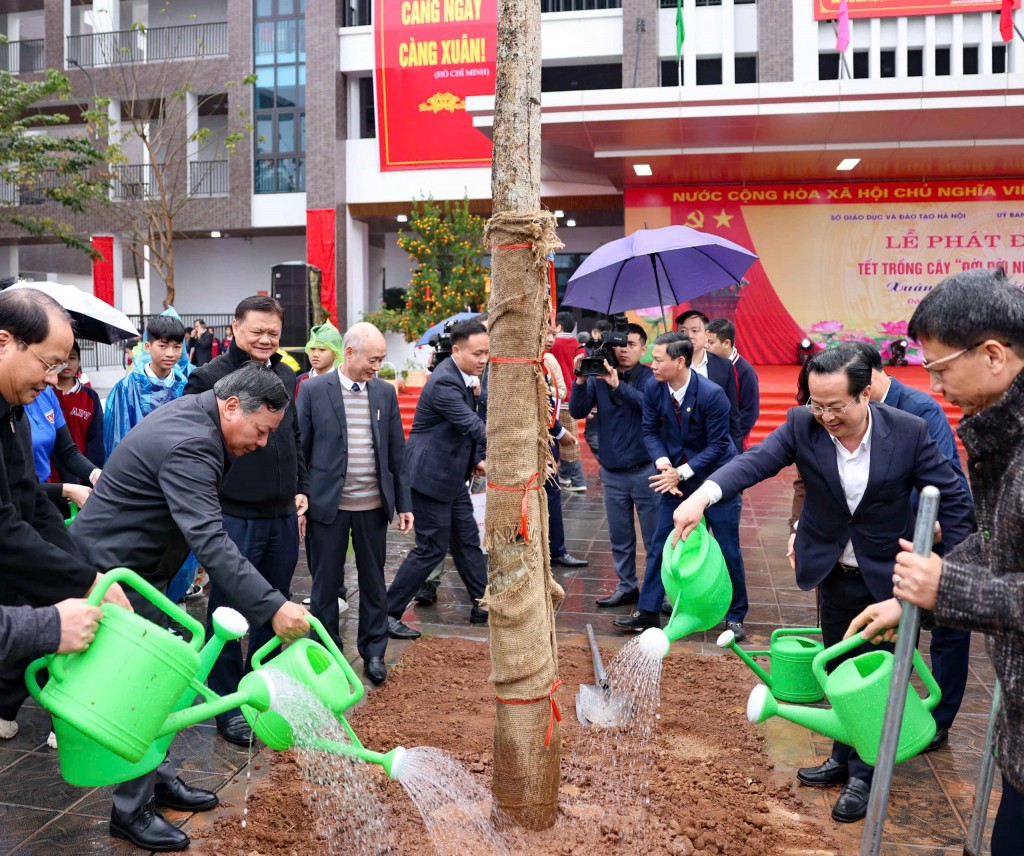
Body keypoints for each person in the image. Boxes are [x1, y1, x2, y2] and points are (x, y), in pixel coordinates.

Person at [669, 344, 974, 823]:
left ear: (865, 394)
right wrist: (702, 497)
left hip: (887, 576)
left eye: (836, 406)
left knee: (873, 680)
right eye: (817, 404)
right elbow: (755, 462)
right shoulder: (801, 425)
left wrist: (951, 568)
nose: (826, 416)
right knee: (836, 668)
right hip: (833, 570)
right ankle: (841, 753)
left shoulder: (908, 432)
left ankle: (864, 773)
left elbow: (955, 499)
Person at [70, 362, 311, 853]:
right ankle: (129, 811)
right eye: (261, 431)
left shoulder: (201, 420)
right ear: (230, 407)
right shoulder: (193, 443)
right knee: (142, 687)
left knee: (158, 684)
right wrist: (274, 605)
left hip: (141, 571)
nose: (263, 444)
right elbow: (210, 538)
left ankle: (155, 779)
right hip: (113, 575)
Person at [844, 269, 1024, 854]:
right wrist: (907, 600)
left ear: (993, 354)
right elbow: (1000, 541)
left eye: (941, 368)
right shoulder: (1003, 431)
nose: (938, 385)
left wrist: (946, 587)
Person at [0, 288, 130, 739]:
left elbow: (32, 502)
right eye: (48, 363)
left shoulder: (14, 408)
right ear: (4, 341)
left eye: (61, 367)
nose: (55, 380)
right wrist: (85, 583)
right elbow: (4, 528)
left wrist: (87, 571)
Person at [183, 295, 308, 747]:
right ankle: (226, 704)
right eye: (256, 330)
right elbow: (192, 442)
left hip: (281, 514)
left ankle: (263, 694)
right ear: (235, 328)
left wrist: (301, 487)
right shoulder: (209, 378)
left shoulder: (287, 373)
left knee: (274, 606)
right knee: (228, 612)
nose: (265, 340)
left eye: (273, 332)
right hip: (233, 514)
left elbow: (292, 436)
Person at [843, 339, 973, 751]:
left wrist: (928, 529)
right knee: (895, 633)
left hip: (929, 541)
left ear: (867, 382)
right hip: (886, 544)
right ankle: (881, 719)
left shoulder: (919, 409)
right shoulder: (852, 415)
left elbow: (946, 481)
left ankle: (940, 718)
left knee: (948, 632)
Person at [297, 322, 412, 685]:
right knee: (325, 585)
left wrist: (404, 504)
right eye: (373, 359)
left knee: (374, 581)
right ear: (350, 354)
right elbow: (300, 449)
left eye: (381, 360)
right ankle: (326, 653)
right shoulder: (314, 391)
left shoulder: (384, 393)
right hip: (327, 506)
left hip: (372, 506)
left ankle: (374, 652)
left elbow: (397, 452)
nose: (377, 366)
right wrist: (300, 495)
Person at [614, 332, 742, 634]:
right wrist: (664, 465)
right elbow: (649, 431)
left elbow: (719, 445)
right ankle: (647, 611)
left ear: (680, 361)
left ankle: (735, 616)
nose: (652, 364)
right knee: (662, 544)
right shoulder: (653, 387)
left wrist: (680, 472)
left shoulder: (711, 394)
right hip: (675, 479)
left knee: (727, 547)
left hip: (716, 479)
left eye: (658, 359)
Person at [385, 318, 490, 638]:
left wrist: (477, 459)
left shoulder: (464, 377)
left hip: (451, 476)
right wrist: (511, 446)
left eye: (487, 353)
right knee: (430, 548)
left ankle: (482, 603)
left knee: (467, 541)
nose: (483, 360)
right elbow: (470, 425)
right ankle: (387, 613)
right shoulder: (445, 381)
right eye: (477, 354)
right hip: (429, 478)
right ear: (456, 351)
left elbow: (467, 434)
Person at [569, 322, 659, 607]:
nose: (624, 349)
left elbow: (652, 409)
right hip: (612, 472)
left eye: (632, 344)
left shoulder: (651, 377)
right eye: (620, 344)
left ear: (644, 349)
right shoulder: (598, 375)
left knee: (656, 538)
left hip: (647, 471)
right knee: (620, 537)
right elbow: (577, 410)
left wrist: (619, 386)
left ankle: (659, 593)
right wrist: (581, 378)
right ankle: (626, 586)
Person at [104, 310, 192, 456]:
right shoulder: (127, 388)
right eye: (163, 346)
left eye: (176, 347)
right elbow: (117, 439)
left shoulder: (187, 386)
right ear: (147, 347)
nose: (170, 353)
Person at [675, 310, 744, 451]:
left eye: (695, 331)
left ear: (706, 335)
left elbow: (733, 413)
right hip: (680, 451)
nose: (689, 336)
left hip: (715, 445)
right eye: (683, 331)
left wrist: (737, 453)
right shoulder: (670, 366)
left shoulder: (724, 366)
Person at [26, 384, 100, 512]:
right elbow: (14, 484)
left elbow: (67, 451)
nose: (55, 379)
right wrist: (65, 490)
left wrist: (94, 473)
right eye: (48, 367)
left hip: (41, 497)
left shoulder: (46, 393)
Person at [53, 341, 105, 484]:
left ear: (79, 361)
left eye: (72, 358)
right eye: (62, 358)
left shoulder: (90, 397)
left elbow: (96, 441)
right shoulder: (44, 394)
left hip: (82, 475)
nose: (67, 363)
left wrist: (90, 475)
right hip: (51, 479)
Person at [706, 317, 760, 450]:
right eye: (705, 341)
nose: (706, 346)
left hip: (732, 439)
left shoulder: (745, 371)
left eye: (711, 342)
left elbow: (750, 412)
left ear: (726, 343)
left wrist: (732, 436)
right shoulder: (707, 364)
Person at [550, 310, 586, 491]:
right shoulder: (578, 345)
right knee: (564, 436)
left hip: (556, 397)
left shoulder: (551, 344)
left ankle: (578, 480)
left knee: (565, 438)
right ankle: (564, 475)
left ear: (559, 326)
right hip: (573, 396)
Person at [295, 320, 344, 394]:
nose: (315, 354)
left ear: (335, 354)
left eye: (322, 349)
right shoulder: (300, 380)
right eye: (312, 349)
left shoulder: (343, 381)